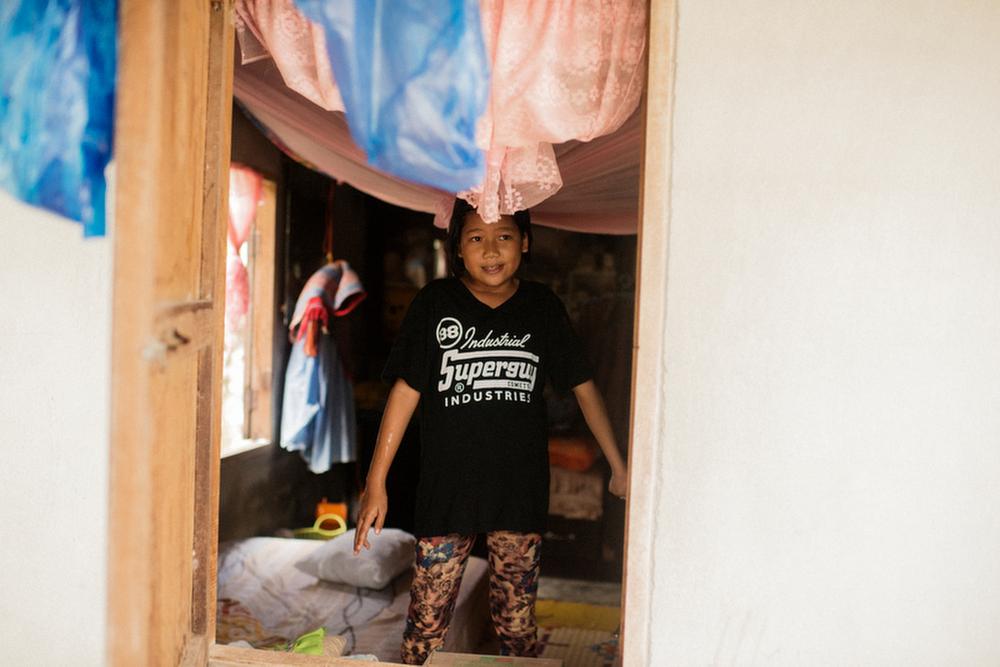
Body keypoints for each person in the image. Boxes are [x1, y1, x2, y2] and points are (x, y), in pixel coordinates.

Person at [354, 199, 629, 665]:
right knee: (425, 624)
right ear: (458, 249)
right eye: (476, 238)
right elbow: (405, 392)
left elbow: (584, 388)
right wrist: (375, 482)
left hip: (519, 489)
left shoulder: (541, 307)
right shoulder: (435, 303)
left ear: (525, 242)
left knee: (517, 627)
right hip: (447, 488)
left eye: (503, 236)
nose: (491, 250)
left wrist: (618, 466)